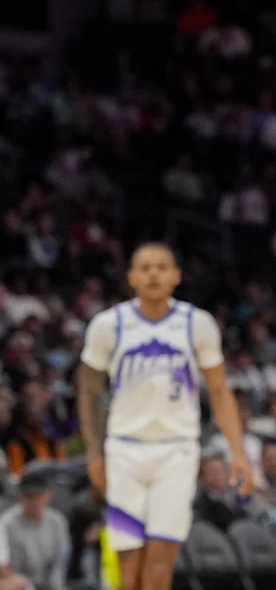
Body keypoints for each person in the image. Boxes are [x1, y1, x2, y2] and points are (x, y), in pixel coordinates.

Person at [76, 242, 256, 590]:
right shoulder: (107, 325)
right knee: (129, 563)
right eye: (145, 267)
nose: (153, 273)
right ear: (131, 277)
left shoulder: (197, 323)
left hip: (177, 452)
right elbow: (88, 393)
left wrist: (238, 452)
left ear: (176, 276)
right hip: (124, 451)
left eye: (161, 267)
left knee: (160, 564)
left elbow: (220, 391)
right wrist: (95, 453)